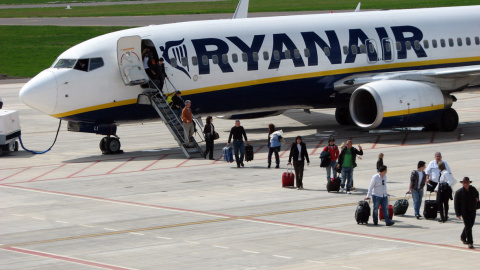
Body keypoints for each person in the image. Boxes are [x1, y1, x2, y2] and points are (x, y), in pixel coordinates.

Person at [454, 177, 479, 249]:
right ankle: (470, 242)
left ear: (469, 183)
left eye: (467, 183)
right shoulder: (459, 192)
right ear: (462, 183)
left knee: (470, 225)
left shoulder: (473, 189)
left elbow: (477, 195)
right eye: (464, 183)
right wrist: (458, 214)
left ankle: (463, 236)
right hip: (464, 212)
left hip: (472, 210)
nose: (466, 184)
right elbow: (456, 204)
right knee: (468, 226)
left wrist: (477, 199)